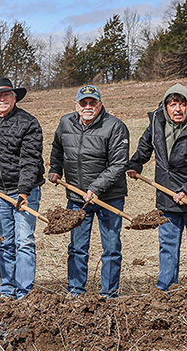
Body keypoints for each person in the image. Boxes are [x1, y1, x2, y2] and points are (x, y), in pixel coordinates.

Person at [127, 85, 187, 291]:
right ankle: (166, 289)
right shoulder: (156, 125)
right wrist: (136, 164)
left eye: (182, 104)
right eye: (173, 104)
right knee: (168, 246)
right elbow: (145, 146)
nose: (177, 109)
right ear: (165, 106)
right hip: (167, 198)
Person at [48, 84, 130, 297]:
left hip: (109, 198)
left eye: (92, 103)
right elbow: (57, 148)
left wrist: (95, 188)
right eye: (83, 103)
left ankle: (109, 293)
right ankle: (76, 291)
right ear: (76, 105)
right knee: (77, 247)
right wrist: (56, 169)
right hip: (77, 197)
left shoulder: (115, 127)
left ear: (100, 104)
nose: (87, 106)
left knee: (111, 247)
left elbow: (119, 164)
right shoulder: (66, 123)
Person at [0, 77, 44, 299]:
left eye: (6, 95)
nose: (1, 99)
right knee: (4, 242)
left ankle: (24, 291)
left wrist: (23, 191)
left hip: (24, 192)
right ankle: (7, 290)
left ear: (14, 97)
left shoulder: (28, 123)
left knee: (24, 241)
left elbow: (30, 160)